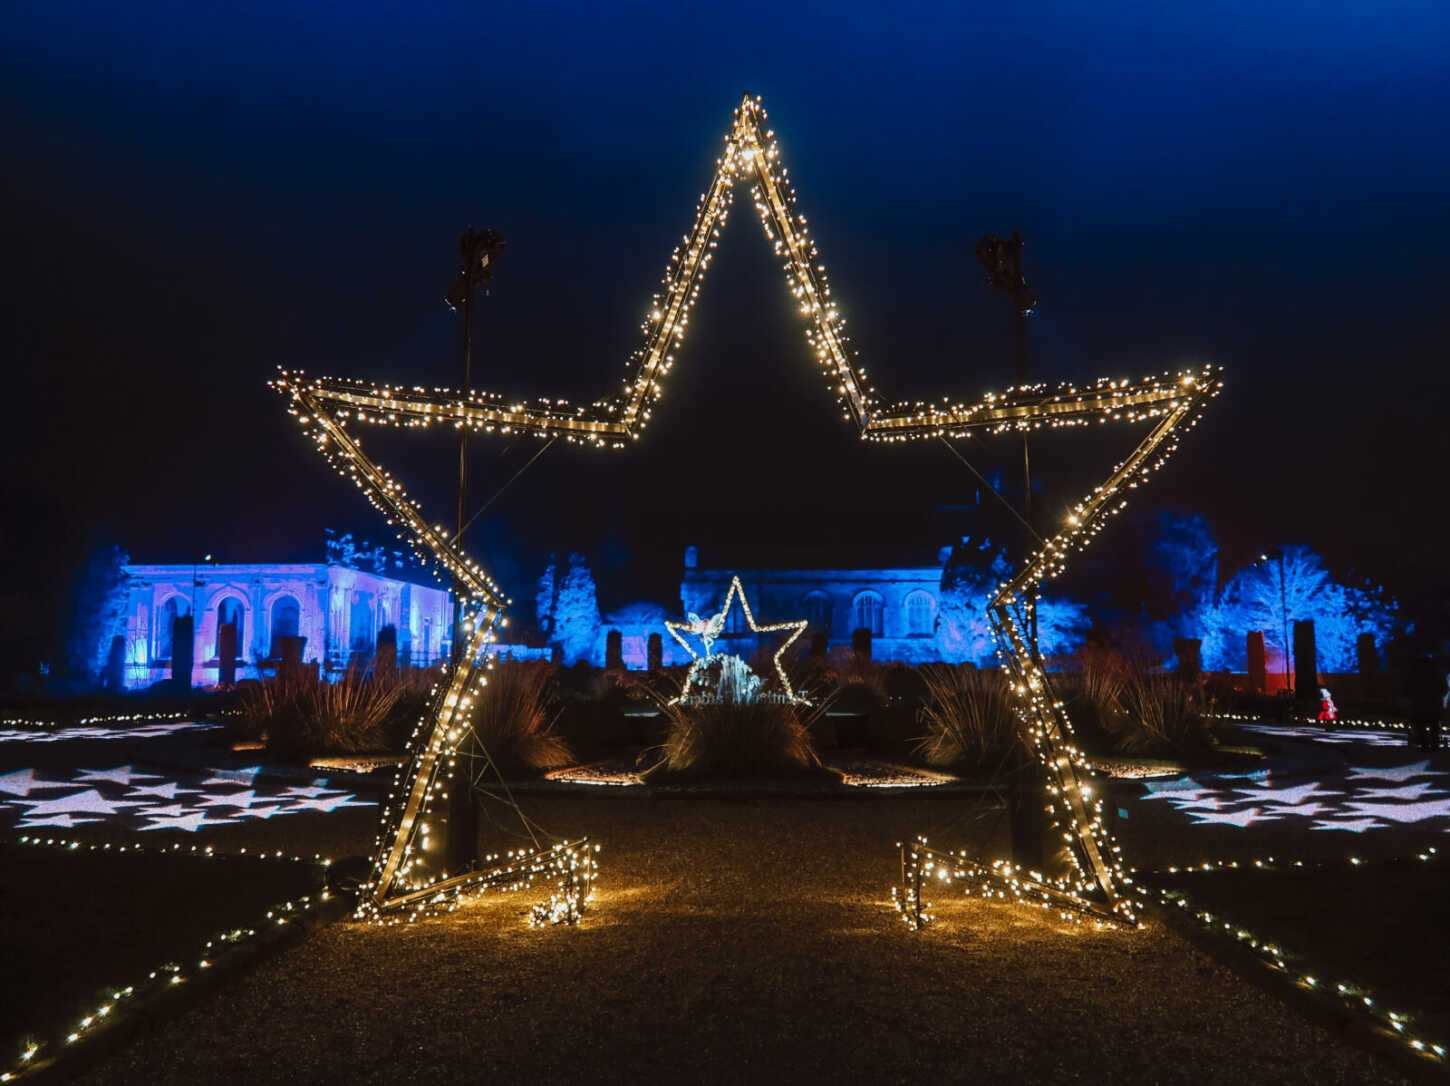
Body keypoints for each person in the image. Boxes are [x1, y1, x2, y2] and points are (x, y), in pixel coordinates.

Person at [1406, 652, 1445, 753]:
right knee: (1434, 725)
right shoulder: (1437, 673)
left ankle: (1424, 744)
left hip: (1419, 704)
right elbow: (1444, 688)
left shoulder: (1415, 674)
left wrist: (1411, 698)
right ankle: (1434, 745)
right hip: (1433, 704)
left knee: (1420, 725)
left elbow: (1408, 688)